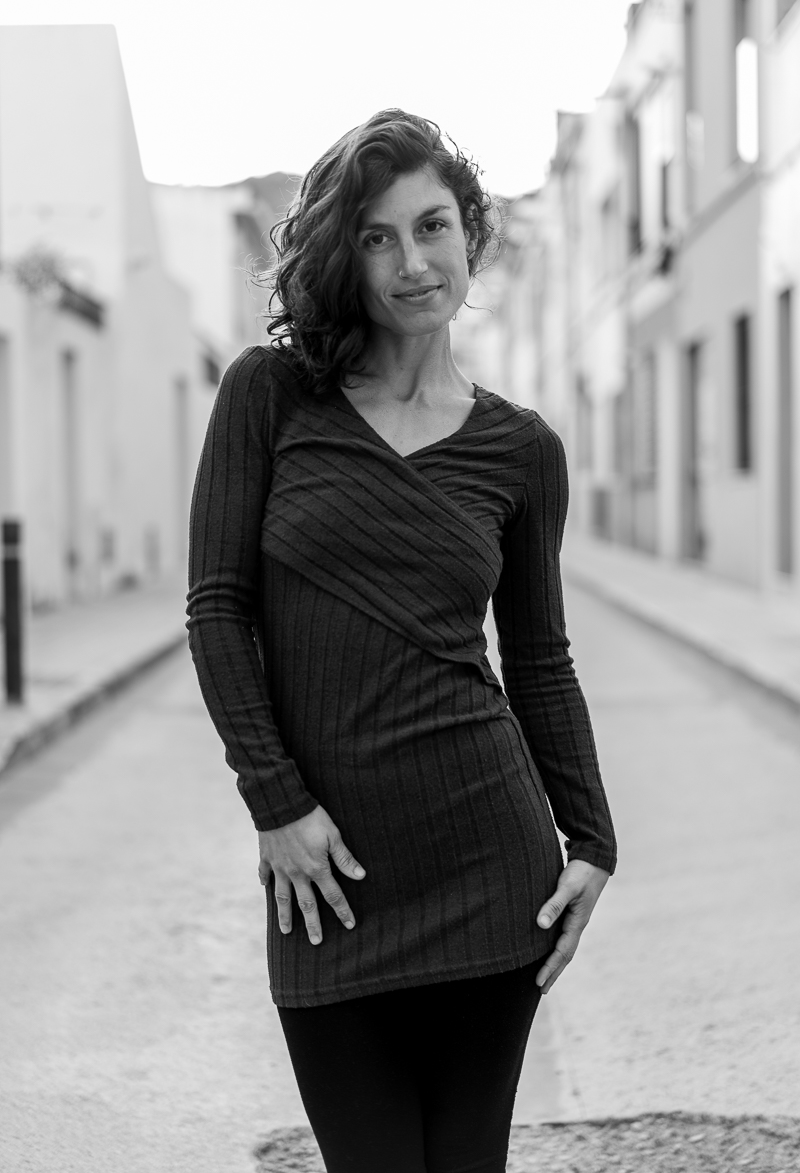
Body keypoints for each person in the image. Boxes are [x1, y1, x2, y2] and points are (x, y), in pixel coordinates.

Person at [187, 108, 617, 1173]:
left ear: (471, 231)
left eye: (432, 227)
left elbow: (539, 660)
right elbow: (217, 608)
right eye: (376, 238)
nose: (412, 263)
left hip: (489, 868)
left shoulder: (521, 450)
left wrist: (592, 840)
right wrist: (276, 804)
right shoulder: (271, 396)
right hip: (326, 883)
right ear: (344, 255)